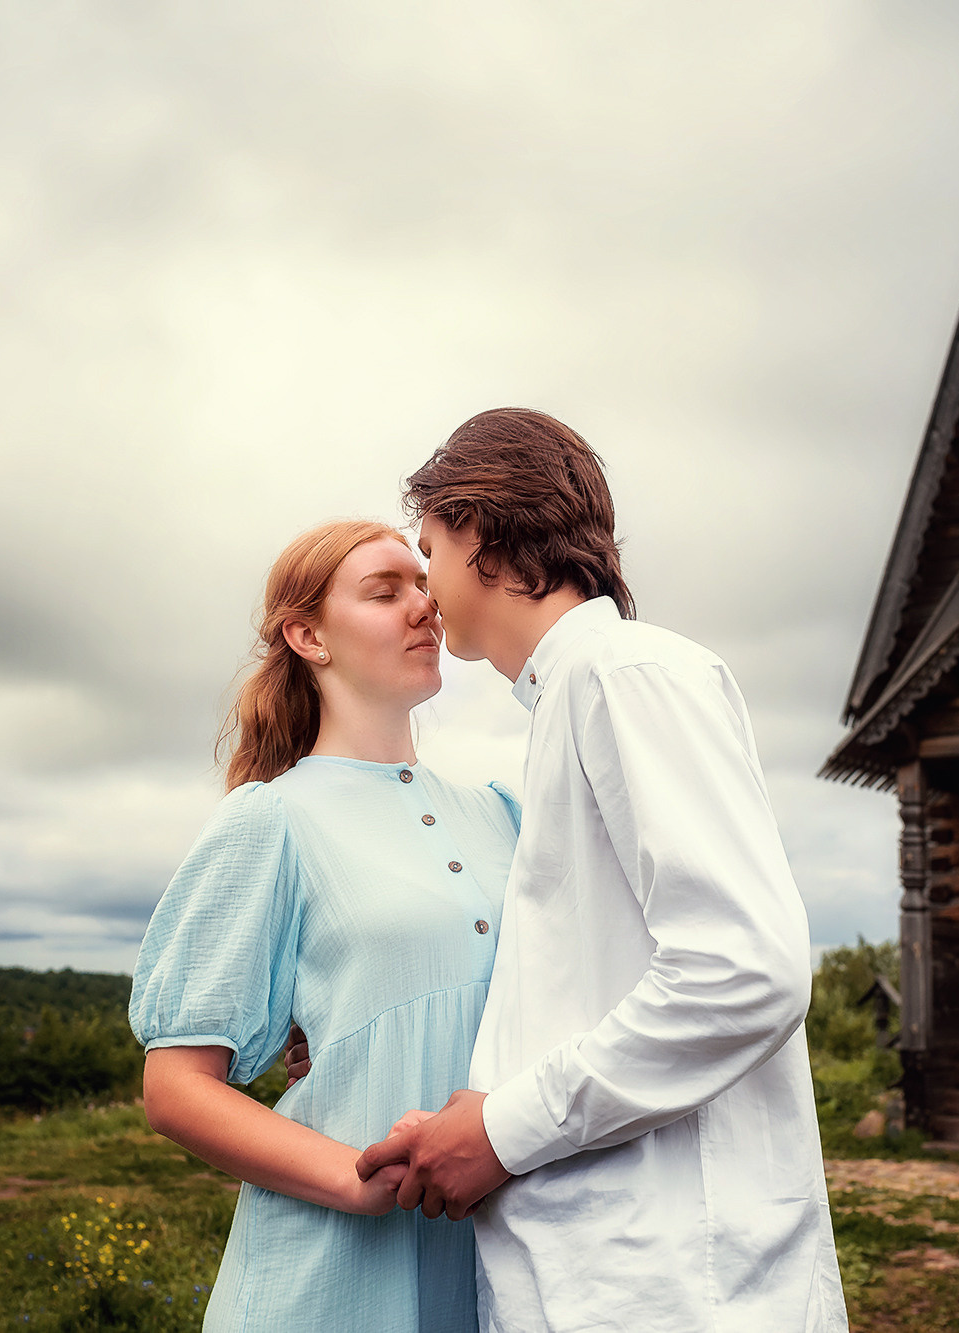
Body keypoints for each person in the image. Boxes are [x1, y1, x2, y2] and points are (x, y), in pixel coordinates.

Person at [353, 409, 845, 1331]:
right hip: (610, 1280)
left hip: (672, 1294)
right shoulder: (570, 703)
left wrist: (500, 1130)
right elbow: (582, 990)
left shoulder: (626, 674)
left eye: (431, 553)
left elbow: (745, 970)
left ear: (483, 536)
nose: (427, 590)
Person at [128, 518, 519, 1332]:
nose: (426, 605)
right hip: (330, 1278)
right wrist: (353, 1177)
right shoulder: (270, 819)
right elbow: (175, 1088)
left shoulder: (501, 813)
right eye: (385, 591)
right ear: (309, 636)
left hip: (496, 1265)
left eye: (423, 583)